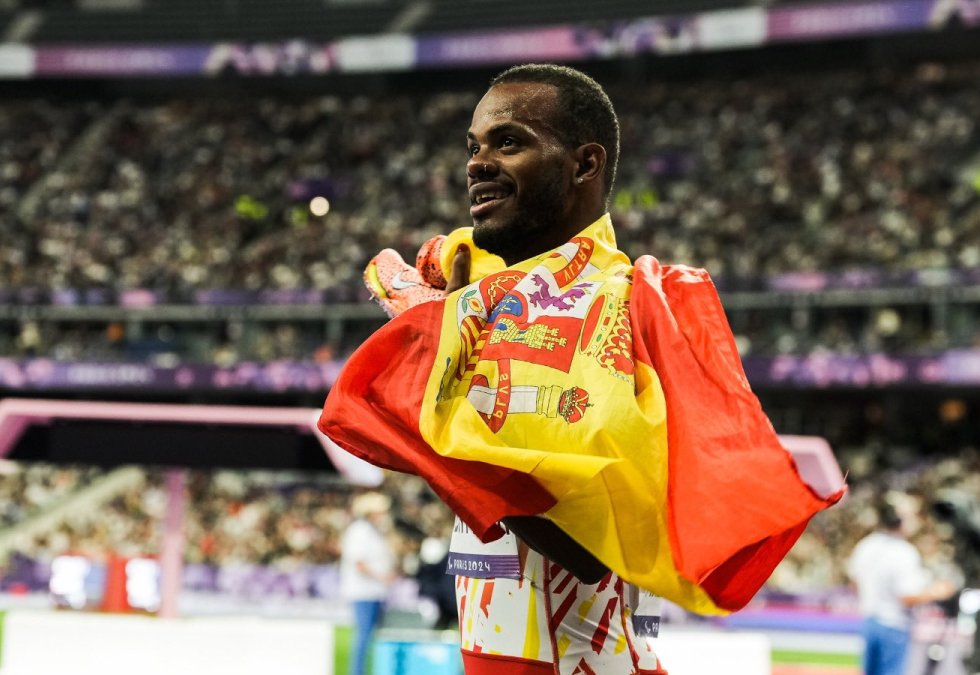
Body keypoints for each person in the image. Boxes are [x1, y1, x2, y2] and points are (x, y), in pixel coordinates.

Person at [323, 62, 839, 675]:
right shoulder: (495, 305)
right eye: (474, 146)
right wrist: (449, 333)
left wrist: (435, 366)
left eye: (509, 141)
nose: (477, 163)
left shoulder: (616, 309)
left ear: (584, 165)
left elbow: (585, 545)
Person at [848, 500, 956, 675]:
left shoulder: (865, 545)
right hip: (894, 625)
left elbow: (854, 584)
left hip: (869, 621)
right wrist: (938, 591)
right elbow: (907, 597)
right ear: (900, 520)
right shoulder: (903, 552)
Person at [340, 491, 397, 675]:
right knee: (364, 635)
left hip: (373, 591)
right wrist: (382, 576)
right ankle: (357, 672)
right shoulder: (360, 530)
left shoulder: (371, 530)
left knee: (369, 635)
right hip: (363, 592)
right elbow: (359, 563)